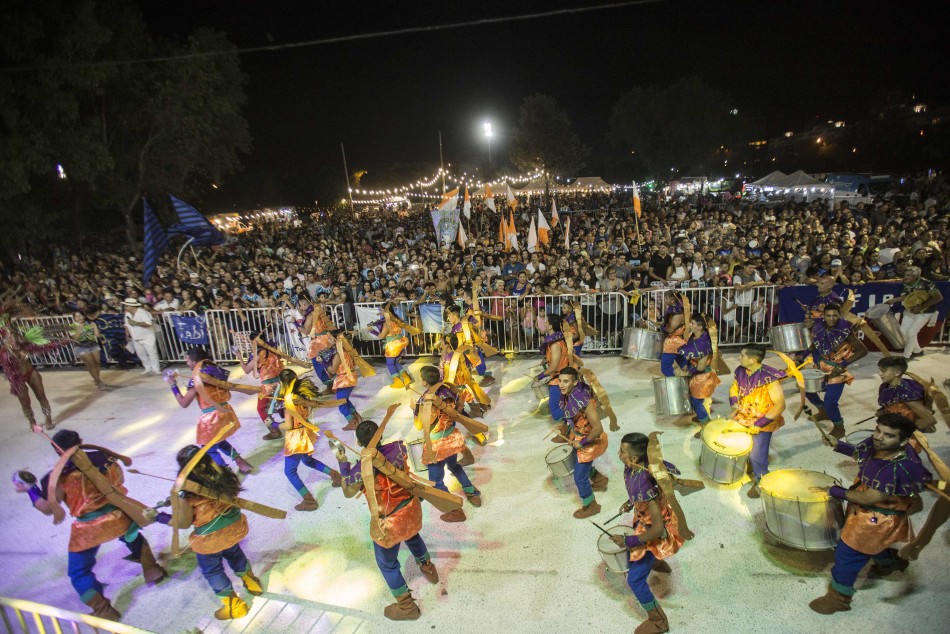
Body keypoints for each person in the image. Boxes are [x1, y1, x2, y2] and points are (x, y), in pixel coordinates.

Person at [16, 429, 166, 621]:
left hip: (88, 527)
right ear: (81, 442)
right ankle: (152, 570)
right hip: (118, 512)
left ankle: (103, 610)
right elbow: (120, 480)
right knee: (132, 533)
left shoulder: (55, 477)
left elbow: (47, 509)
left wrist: (31, 489)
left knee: (78, 572)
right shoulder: (103, 457)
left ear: (56, 451)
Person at [809, 413, 931, 614]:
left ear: (903, 441)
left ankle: (838, 599)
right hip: (874, 515)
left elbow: (868, 498)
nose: (879, 437)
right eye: (878, 430)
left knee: (847, 555)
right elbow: (863, 454)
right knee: (877, 545)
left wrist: (834, 490)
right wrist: (838, 445)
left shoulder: (898, 468)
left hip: (874, 521)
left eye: (888, 435)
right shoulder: (885, 447)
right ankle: (888, 563)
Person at [336, 420, 440, 620]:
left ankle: (407, 607)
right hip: (410, 509)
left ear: (358, 443)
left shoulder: (361, 467)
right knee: (412, 536)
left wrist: (343, 463)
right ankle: (428, 568)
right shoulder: (398, 448)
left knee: (387, 564)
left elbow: (348, 491)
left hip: (389, 522)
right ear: (380, 435)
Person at [172, 445, 264, 620]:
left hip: (210, 540)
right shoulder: (224, 476)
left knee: (213, 570)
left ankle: (234, 606)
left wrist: (165, 513)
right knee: (234, 553)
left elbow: (183, 523)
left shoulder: (187, 494)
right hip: (233, 529)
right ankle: (252, 582)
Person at [612, 432, 684, 634]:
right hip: (644, 519)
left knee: (634, 580)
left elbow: (658, 529)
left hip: (655, 530)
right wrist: (631, 502)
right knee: (638, 556)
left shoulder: (645, 481)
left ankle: (659, 621)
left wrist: (630, 541)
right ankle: (658, 562)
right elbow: (637, 494)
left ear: (634, 458)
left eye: (622, 451)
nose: (619, 454)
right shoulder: (632, 468)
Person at [164, 348, 253, 473]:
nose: (187, 363)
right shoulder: (215, 369)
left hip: (212, 417)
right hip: (225, 411)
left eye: (188, 361)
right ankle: (241, 462)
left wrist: (173, 385)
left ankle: (225, 473)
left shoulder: (197, 377)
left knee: (208, 448)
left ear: (195, 362)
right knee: (219, 441)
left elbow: (183, 403)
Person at [415, 365, 482, 522]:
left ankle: (455, 510)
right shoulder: (447, 390)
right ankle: (471, 491)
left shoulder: (425, 398)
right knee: (454, 466)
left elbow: (420, 425)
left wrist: (414, 409)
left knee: (436, 481)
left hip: (437, 445)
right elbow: (459, 408)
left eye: (420, 377)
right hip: (452, 438)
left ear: (425, 382)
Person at [275, 369, 342, 511]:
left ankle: (309, 501)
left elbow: (288, 425)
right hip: (307, 433)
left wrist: (274, 424)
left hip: (296, 439)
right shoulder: (303, 397)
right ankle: (336, 476)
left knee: (290, 471)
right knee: (308, 461)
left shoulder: (289, 402)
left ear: (282, 383)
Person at [729, 345, 786, 499]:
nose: (739, 358)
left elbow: (780, 405)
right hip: (744, 414)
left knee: (757, 455)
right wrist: (734, 403)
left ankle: (762, 481)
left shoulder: (770, 378)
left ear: (752, 360)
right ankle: (746, 467)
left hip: (763, 420)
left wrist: (758, 424)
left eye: (742, 356)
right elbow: (734, 387)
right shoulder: (741, 370)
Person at [806, 301, 867, 439]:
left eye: (835, 315)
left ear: (839, 315)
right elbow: (815, 346)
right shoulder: (819, 327)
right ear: (824, 316)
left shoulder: (845, 331)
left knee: (831, 402)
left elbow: (863, 351)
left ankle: (839, 427)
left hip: (837, 371)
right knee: (806, 389)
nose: (832, 318)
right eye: (828, 315)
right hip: (821, 367)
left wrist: (842, 365)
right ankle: (823, 412)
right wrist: (802, 355)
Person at [556, 367, 608, 518]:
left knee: (579, 477)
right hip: (577, 437)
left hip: (590, 440)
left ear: (575, 382)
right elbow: (572, 415)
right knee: (576, 463)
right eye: (559, 380)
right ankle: (599, 479)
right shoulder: (568, 394)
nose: (561, 384)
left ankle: (591, 505)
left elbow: (598, 428)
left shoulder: (583, 400)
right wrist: (565, 426)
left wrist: (583, 442)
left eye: (565, 381)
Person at [0, 299, 59, 431]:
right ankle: (32, 422)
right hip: (17, 378)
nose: (13, 340)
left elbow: (44, 346)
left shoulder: (24, 345)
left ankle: (48, 419)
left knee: (41, 396)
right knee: (25, 402)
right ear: (4, 341)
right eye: (9, 339)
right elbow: (7, 369)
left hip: (31, 372)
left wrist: (58, 344)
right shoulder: (4, 353)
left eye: (14, 337)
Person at [674, 313, 721, 433]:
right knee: (694, 400)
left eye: (692, 323)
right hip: (695, 375)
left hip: (702, 377)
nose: (689, 324)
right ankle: (702, 418)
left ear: (700, 327)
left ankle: (707, 427)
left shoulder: (703, 344)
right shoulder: (694, 336)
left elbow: (700, 367)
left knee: (697, 402)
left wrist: (686, 372)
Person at [886, 265, 943, 359]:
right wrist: (893, 300)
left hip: (926, 311)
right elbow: (908, 295)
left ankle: (906, 356)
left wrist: (921, 307)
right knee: (904, 332)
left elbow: (938, 297)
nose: (905, 277)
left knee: (911, 332)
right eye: (905, 274)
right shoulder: (906, 283)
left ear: (915, 277)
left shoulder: (927, 284)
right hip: (910, 310)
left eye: (908, 275)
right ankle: (917, 350)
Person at [237, 331, 286, 440]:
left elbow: (246, 370)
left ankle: (274, 431)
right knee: (282, 405)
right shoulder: (273, 348)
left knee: (261, 409)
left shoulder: (258, 354)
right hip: (282, 382)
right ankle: (292, 423)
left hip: (268, 386)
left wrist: (239, 356)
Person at [877, 356, 937, 432]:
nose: (879, 374)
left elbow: (929, 420)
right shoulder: (884, 386)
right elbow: (892, 404)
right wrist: (883, 410)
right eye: (880, 370)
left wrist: (904, 434)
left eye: (883, 371)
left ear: (897, 373)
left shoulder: (906, 393)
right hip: (893, 426)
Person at [536, 313, 572, 427]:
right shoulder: (559, 340)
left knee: (555, 409)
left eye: (546, 322)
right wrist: (547, 360)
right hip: (564, 375)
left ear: (551, 326)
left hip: (560, 379)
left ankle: (571, 421)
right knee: (562, 403)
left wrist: (540, 376)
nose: (545, 323)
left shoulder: (555, 344)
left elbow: (554, 367)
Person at [324, 335, 363, 431]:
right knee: (345, 400)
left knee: (341, 404)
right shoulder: (347, 350)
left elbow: (333, 370)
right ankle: (357, 417)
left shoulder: (338, 354)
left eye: (330, 338)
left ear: (337, 341)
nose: (328, 340)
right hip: (350, 377)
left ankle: (352, 422)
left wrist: (323, 363)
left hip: (345, 379)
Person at [371, 303, 413, 388]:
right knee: (395, 362)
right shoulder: (397, 318)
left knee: (390, 364)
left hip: (392, 345)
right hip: (400, 342)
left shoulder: (387, 322)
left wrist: (372, 331)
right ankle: (406, 378)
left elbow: (381, 336)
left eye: (382, 310)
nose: (381, 311)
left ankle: (398, 382)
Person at [70, 310, 106, 389]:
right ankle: (99, 381)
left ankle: (96, 378)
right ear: (74, 318)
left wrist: (95, 327)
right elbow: (75, 338)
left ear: (84, 316)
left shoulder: (89, 323)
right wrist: (78, 330)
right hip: (81, 346)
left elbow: (97, 336)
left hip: (93, 345)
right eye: (76, 316)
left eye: (80, 315)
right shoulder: (72, 326)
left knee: (97, 363)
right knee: (90, 365)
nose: (78, 318)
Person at [123, 298, 160, 374]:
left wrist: (135, 323)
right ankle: (147, 368)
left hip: (147, 336)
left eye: (126, 306)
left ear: (131, 306)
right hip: (135, 337)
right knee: (141, 354)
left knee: (152, 353)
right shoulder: (127, 314)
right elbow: (127, 325)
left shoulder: (143, 313)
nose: (125, 307)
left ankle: (156, 369)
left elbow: (148, 324)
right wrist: (127, 335)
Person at [659, 291, 686, 377]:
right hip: (678, 341)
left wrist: (662, 328)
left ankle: (675, 386)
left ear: (673, 299)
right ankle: (692, 384)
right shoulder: (675, 309)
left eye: (666, 298)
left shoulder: (677, 313)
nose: (665, 300)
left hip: (674, 342)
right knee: (685, 365)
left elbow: (671, 330)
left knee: (666, 367)